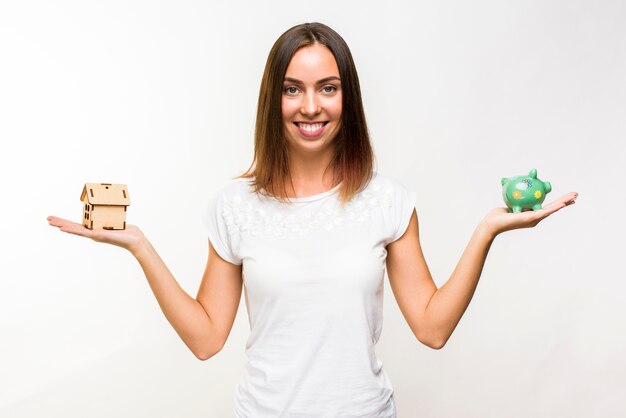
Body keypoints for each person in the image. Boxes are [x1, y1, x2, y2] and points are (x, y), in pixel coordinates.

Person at [47, 22, 578, 418]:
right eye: (292, 89)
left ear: (348, 97)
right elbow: (207, 338)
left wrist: (486, 231)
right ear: (272, 98)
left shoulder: (388, 202)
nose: (311, 106)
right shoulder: (234, 206)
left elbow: (432, 328)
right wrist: (140, 246)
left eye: (328, 87)